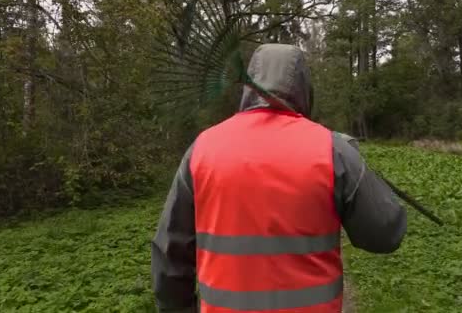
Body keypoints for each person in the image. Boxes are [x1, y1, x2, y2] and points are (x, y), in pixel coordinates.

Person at [150, 43, 407, 313]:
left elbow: (170, 255)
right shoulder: (332, 149)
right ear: (304, 89)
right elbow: (385, 234)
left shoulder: (202, 148)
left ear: (250, 85)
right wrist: (357, 165)